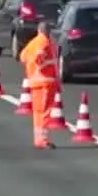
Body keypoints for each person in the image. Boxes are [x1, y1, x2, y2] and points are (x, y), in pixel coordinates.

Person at [18, 20, 61, 149]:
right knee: (45, 112)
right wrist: (41, 65)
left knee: (38, 112)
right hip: (45, 82)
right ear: (47, 31)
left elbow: (23, 57)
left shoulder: (34, 42)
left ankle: (38, 139)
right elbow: (39, 57)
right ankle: (42, 139)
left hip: (36, 82)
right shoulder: (44, 42)